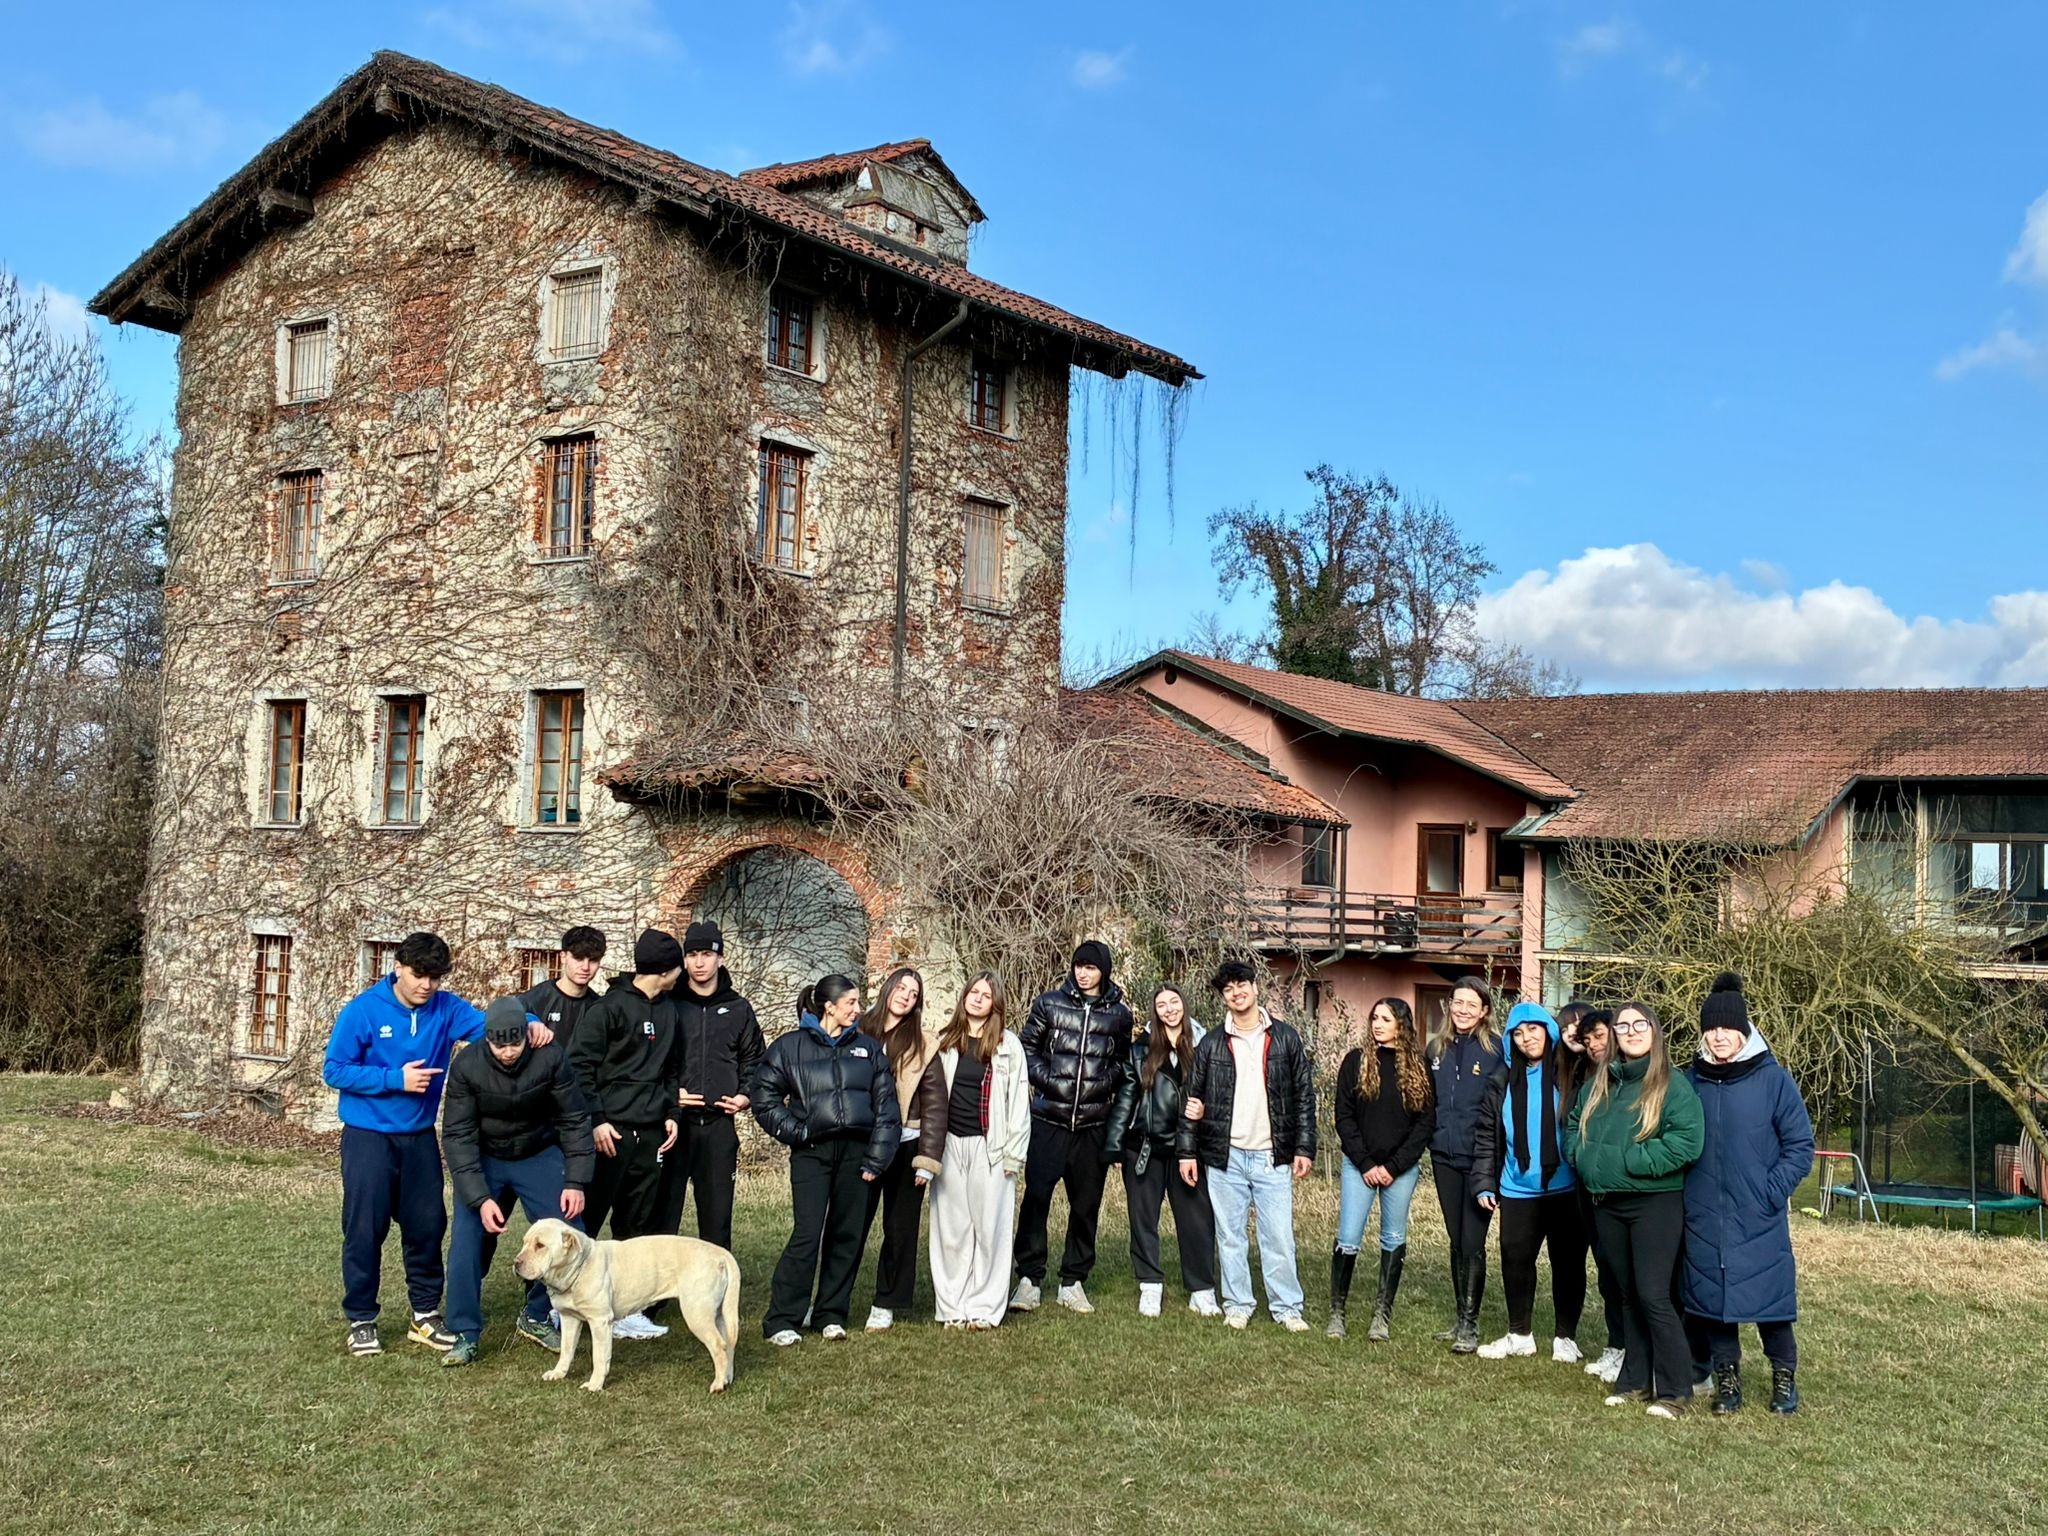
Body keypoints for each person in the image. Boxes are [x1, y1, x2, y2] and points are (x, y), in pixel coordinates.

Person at [323, 930, 518, 1357]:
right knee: (364, 1230)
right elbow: (334, 1070)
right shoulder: (364, 1011)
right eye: (419, 975)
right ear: (398, 968)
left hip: (420, 1140)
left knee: (428, 1227)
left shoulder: (446, 1010)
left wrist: (531, 1027)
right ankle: (361, 1319)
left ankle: (425, 1316)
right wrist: (395, 1080)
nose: (426, 985)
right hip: (369, 1139)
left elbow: (492, 1025)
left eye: (435, 977)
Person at [1565, 998, 1705, 1419]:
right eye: (1622, 1026)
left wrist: (1632, 1162)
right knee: (1626, 1295)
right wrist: (1582, 1156)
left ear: (1654, 1031)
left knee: (1653, 1296)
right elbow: (1573, 1125)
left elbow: (1687, 1141)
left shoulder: (1672, 1085)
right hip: (1606, 1203)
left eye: (1639, 1024)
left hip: (1654, 1204)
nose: (1630, 1032)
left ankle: (1676, 1390)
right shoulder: (1599, 1084)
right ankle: (1635, 1381)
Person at [1683, 973, 1814, 1415]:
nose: (1720, 1037)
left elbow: (1799, 1147)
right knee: (1716, 1304)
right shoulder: (1690, 1082)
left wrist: (1769, 1192)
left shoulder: (1774, 1080)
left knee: (1771, 1304)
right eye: (1712, 1028)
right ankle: (1727, 1381)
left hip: (1757, 1212)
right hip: (1703, 1214)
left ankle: (1783, 1380)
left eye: (1728, 1028)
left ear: (1745, 1031)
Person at [439, 995, 595, 1366]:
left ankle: (539, 1314)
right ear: (486, 1039)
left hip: (538, 1153)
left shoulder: (550, 1056)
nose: (508, 1052)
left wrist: (575, 1181)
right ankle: (464, 1331)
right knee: (466, 1238)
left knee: (570, 1230)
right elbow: (458, 1134)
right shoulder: (466, 1065)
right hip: (486, 1159)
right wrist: (479, 1198)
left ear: (527, 1035)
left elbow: (574, 1118)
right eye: (499, 1044)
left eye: (515, 1042)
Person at [752, 974, 900, 1345]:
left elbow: (887, 1107)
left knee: (846, 1236)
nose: (857, 1009)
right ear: (828, 1007)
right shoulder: (790, 1047)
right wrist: (799, 1132)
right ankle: (783, 1319)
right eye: (850, 1002)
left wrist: (876, 1160)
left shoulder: (869, 1049)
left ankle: (830, 1315)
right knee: (806, 1235)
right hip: (812, 1155)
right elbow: (763, 1097)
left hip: (856, 1155)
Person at [1176, 959, 1316, 1332]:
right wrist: (1187, 1152)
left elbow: (1304, 1096)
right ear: (1224, 998)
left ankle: (1287, 1307)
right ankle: (1238, 1303)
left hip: (1273, 1155)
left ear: (1255, 988)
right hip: (1226, 1157)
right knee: (1230, 1236)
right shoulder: (1211, 1044)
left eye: (1242, 985)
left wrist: (1304, 1148)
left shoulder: (1285, 1038)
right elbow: (1193, 1099)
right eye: (1228, 989)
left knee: (1279, 1237)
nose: (1237, 993)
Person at [566, 928, 683, 1341]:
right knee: (589, 1221)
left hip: (651, 1134)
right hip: (609, 1132)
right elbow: (579, 1067)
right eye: (678, 967)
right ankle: (563, 1306)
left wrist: (671, 1113)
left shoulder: (670, 1011)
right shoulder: (609, 1008)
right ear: (665, 970)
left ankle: (626, 1312)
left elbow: (672, 1068)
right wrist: (596, 1119)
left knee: (637, 1224)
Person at [1011, 939, 1136, 1315]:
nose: (1083, 973)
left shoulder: (1119, 1014)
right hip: (1049, 1119)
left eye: (1091, 967)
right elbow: (1025, 1049)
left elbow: (1124, 1062)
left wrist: (1106, 1081)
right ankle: (1030, 1279)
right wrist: (1050, 1080)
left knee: (1086, 1205)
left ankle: (1073, 1280)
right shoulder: (1050, 1003)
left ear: (1104, 972)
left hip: (1092, 1127)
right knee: (1036, 1200)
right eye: (1078, 966)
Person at [1471, 1002, 1589, 1363]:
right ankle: (1519, 1333)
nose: (1526, 1039)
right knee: (1515, 1261)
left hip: (1566, 1187)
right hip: (1517, 1187)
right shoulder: (1501, 1079)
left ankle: (1565, 1337)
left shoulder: (1570, 1073)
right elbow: (1488, 1135)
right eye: (1518, 1034)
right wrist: (1484, 1183)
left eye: (1533, 1030)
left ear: (1548, 1031)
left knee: (1568, 1265)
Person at [1104, 984, 1220, 1319]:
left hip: (1187, 1150)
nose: (1169, 1009)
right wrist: (1114, 1145)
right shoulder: (1141, 1049)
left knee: (1197, 1221)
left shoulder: (1203, 1045)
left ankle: (1201, 1289)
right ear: (1154, 1012)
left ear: (1184, 1005)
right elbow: (1127, 1096)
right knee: (1143, 1220)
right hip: (1144, 1148)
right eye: (1161, 1004)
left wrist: (1206, 1111)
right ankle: (1150, 1285)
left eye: (1174, 1002)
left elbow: (1216, 1092)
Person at [926, 972, 1031, 1328]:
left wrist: (1014, 1153)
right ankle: (952, 1307)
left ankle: (984, 1308)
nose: (977, 998)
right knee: (951, 1229)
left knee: (990, 1230)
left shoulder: (1008, 1045)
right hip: (950, 1145)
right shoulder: (944, 1042)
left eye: (985, 995)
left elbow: (1019, 1102)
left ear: (995, 1004)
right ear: (964, 997)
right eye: (973, 992)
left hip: (993, 1147)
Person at [1328, 997, 1435, 1340]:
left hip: (1399, 1171)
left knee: (1393, 1237)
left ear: (1401, 1024)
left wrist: (1393, 1166)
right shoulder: (1356, 1062)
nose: (1377, 1024)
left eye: (1385, 1019)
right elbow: (1343, 1116)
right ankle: (1337, 1313)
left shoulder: (1418, 1066)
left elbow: (1424, 1124)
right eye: (1374, 1017)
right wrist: (1365, 1162)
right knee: (1348, 1237)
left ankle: (1381, 1316)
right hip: (1359, 1166)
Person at [655, 920, 764, 1255]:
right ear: (684, 960)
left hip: (718, 1127)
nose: (699, 962)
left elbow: (756, 1060)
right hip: (674, 1125)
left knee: (716, 1219)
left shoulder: (738, 1008)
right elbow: (650, 1060)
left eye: (706, 954)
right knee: (662, 1217)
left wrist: (746, 1095)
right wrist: (670, 1096)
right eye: (692, 954)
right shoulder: (668, 1004)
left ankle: (715, 1295)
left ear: (720, 958)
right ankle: (652, 1300)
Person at [861, 966, 946, 1331]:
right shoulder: (860, 1029)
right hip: (862, 1143)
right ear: (888, 988)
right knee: (851, 1224)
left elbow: (935, 1104)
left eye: (914, 994)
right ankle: (832, 1297)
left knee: (900, 1227)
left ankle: (887, 1302)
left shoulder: (924, 1043)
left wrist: (926, 1159)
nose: (906, 996)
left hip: (907, 1145)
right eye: (902, 988)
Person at [1426, 976, 1505, 1353]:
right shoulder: (1435, 1048)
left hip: (1480, 1161)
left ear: (1484, 1010)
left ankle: (1470, 1326)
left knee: (1473, 1242)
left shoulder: (1496, 1052)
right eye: (1458, 1002)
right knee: (1456, 1241)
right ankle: (1460, 1318)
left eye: (1471, 1004)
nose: (1463, 1010)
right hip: (1443, 1156)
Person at [1560, 1004, 1627, 1383]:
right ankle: (1616, 1346)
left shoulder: (1634, 1076)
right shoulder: (1585, 1076)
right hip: (1589, 1186)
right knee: (1606, 1270)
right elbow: (1572, 1126)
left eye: (1599, 1036)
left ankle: (1633, 1349)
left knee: (1624, 1274)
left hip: (1623, 1190)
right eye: (1587, 1040)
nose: (1593, 1045)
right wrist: (1578, 1157)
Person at [517, 925, 607, 1051]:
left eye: (593, 960)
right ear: (563, 957)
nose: (585, 967)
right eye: (578, 958)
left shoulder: (600, 1007)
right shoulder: (533, 1000)